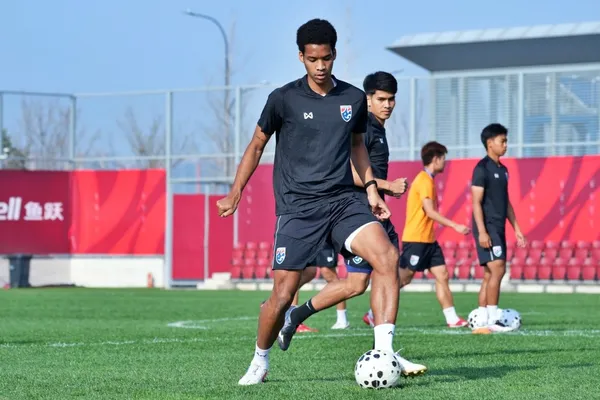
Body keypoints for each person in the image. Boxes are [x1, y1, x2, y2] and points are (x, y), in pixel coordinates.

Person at [217, 19, 402, 386]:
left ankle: (384, 353)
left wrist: (370, 189)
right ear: (301, 56)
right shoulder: (283, 99)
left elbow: (357, 147)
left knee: (387, 257)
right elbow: (257, 144)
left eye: (327, 58)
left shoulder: (352, 98)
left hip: (343, 202)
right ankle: (260, 360)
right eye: (313, 59)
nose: (321, 66)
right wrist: (236, 190)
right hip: (298, 207)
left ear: (334, 55)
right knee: (282, 295)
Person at [276, 71, 427, 377]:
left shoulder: (379, 129)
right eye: (381, 99)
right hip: (355, 213)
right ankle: (385, 353)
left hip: (370, 210)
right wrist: (385, 186)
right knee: (386, 264)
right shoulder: (365, 127)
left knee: (358, 283)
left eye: (391, 99)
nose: (387, 105)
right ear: (367, 99)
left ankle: (296, 315)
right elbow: (347, 170)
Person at [363, 141, 470, 329]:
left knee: (442, 275)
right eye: (443, 158)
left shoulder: (428, 180)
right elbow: (430, 211)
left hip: (429, 239)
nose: (445, 162)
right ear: (435, 159)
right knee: (403, 278)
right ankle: (373, 314)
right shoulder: (424, 180)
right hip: (416, 239)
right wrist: (455, 225)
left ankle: (452, 318)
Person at [470, 123, 527, 334]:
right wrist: (482, 231)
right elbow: (476, 202)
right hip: (487, 226)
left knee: (489, 273)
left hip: (499, 227)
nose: (505, 145)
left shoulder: (503, 170)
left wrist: (517, 228)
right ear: (489, 143)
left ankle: (482, 319)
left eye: (506, 141)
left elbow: (506, 201)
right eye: (502, 141)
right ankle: (494, 319)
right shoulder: (481, 168)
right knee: (498, 268)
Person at [289, 244, 350, 331]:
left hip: (324, 241)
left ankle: (342, 320)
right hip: (309, 241)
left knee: (329, 275)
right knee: (307, 273)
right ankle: (292, 320)